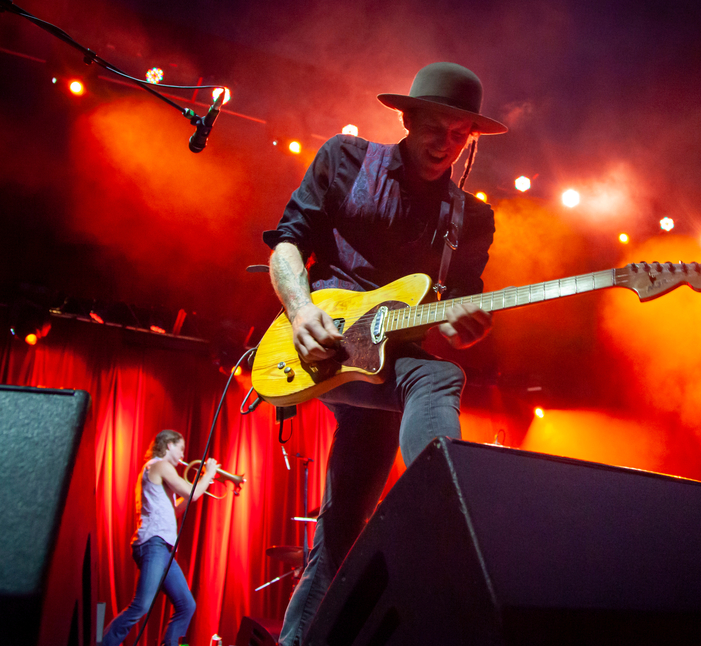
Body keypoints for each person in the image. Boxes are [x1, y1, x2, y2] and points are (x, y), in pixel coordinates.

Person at [263, 62, 507, 646]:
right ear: (407, 115)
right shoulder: (345, 158)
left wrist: (468, 325)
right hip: (328, 342)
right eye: (436, 128)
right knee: (439, 379)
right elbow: (287, 242)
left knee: (340, 539)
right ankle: (443, 507)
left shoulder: (472, 217)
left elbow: (460, 307)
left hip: (388, 369)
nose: (446, 145)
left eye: (460, 135)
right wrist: (300, 312)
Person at [102, 430, 219, 646]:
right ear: (168, 446)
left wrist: (202, 484)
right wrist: (208, 474)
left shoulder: (162, 471)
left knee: (186, 605)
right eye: (181, 448)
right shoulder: (160, 465)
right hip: (153, 544)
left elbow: (175, 510)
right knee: (141, 606)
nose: (183, 454)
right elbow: (192, 494)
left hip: (163, 547)